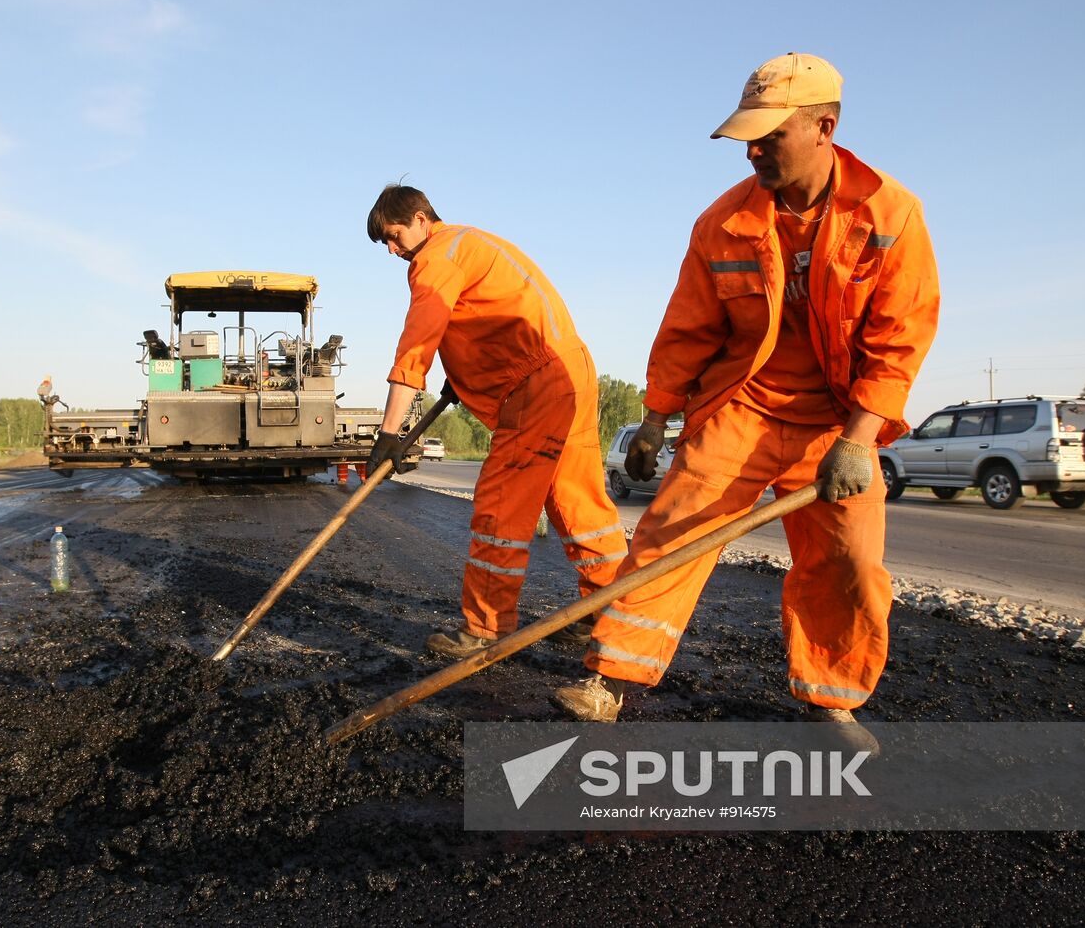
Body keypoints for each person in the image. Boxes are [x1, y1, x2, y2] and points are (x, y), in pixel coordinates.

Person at [551, 53, 940, 748]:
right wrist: (653, 417)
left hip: (834, 421)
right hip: (742, 407)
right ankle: (609, 675)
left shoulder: (889, 214)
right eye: (747, 138)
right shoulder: (723, 222)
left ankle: (830, 700)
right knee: (671, 532)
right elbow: (687, 327)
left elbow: (900, 337)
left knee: (847, 559)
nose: (754, 150)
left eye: (770, 135)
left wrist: (859, 435)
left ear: (826, 125)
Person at [365, 185, 630, 657]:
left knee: (500, 505)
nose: (392, 249)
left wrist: (388, 434)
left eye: (394, 235)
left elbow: (416, 346)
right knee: (578, 503)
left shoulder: (436, 257)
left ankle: (485, 628)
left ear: (422, 219)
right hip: (570, 370)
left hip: (537, 383)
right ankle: (610, 612)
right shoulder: (473, 243)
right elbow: (486, 320)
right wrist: (460, 378)